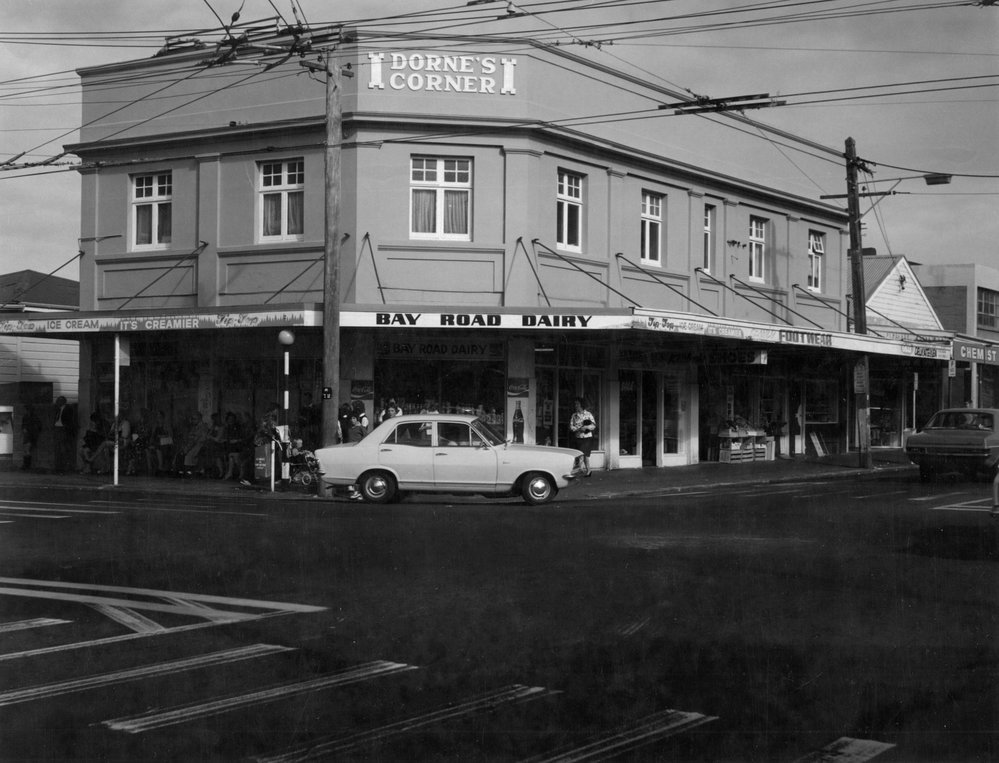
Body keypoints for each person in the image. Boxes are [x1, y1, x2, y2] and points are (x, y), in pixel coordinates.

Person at [569, 397, 597, 477]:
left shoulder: (588, 414)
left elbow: (594, 425)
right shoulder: (574, 416)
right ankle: (588, 470)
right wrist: (578, 429)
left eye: (577, 404)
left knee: (584, 454)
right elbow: (571, 427)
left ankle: (582, 470)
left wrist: (586, 428)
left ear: (581, 404)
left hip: (587, 437)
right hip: (579, 437)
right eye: (575, 404)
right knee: (582, 454)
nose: (576, 405)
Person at [52, 396, 77, 473]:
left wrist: (66, 427)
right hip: (57, 428)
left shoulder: (68, 409)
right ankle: (58, 467)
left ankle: (64, 467)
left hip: (63, 429)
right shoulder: (57, 409)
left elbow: (69, 420)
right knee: (57, 448)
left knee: (63, 448)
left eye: (59, 401)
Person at [20, 404, 41, 471]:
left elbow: (38, 427)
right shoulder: (26, 416)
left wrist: (27, 430)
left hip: (30, 435)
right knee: (26, 450)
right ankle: (26, 465)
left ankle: (27, 465)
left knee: (27, 450)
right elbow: (23, 425)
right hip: (28, 435)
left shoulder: (33, 417)